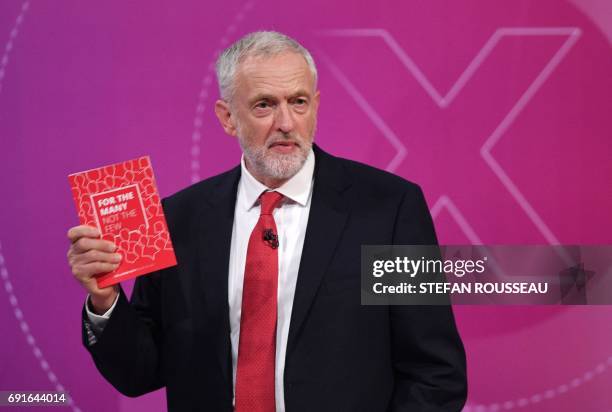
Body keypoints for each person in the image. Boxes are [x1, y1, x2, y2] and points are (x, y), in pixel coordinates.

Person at [66, 31, 467, 412]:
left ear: (316, 104)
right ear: (227, 117)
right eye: (264, 105)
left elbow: (435, 371)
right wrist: (105, 300)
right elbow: (141, 371)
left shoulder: (389, 208)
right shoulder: (179, 217)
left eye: (298, 102)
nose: (286, 123)